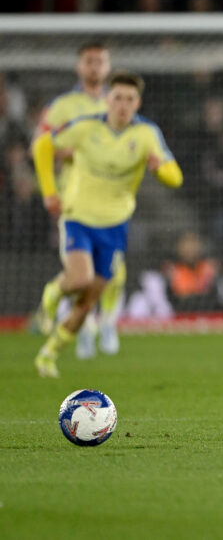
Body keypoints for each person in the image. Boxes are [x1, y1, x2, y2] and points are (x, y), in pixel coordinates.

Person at [32, 72, 183, 377]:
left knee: (88, 301)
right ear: (108, 99)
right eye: (118, 98)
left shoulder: (146, 134)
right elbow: (42, 146)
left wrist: (160, 170)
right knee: (79, 280)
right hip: (78, 217)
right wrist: (49, 192)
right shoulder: (87, 127)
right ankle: (52, 293)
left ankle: (48, 354)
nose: (123, 105)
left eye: (130, 99)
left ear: (138, 103)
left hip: (115, 226)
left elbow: (175, 177)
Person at [32, 42, 129, 360]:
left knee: (115, 271)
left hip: (111, 197)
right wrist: (68, 153)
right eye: (89, 61)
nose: (94, 67)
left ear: (108, 67)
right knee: (82, 274)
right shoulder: (62, 106)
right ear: (79, 66)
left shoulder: (117, 103)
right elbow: (41, 144)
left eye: (100, 61)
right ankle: (85, 329)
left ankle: (108, 323)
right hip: (74, 199)